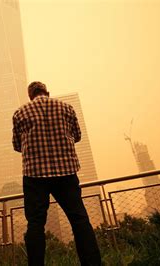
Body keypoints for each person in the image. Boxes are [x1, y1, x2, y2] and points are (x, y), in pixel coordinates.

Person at [12, 81, 101, 266]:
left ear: (30, 95)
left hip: (35, 176)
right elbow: (77, 135)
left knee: (35, 225)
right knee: (79, 220)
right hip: (66, 173)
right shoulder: (66, 108)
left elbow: (17, 145)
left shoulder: (20, 112)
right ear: (47, 92)